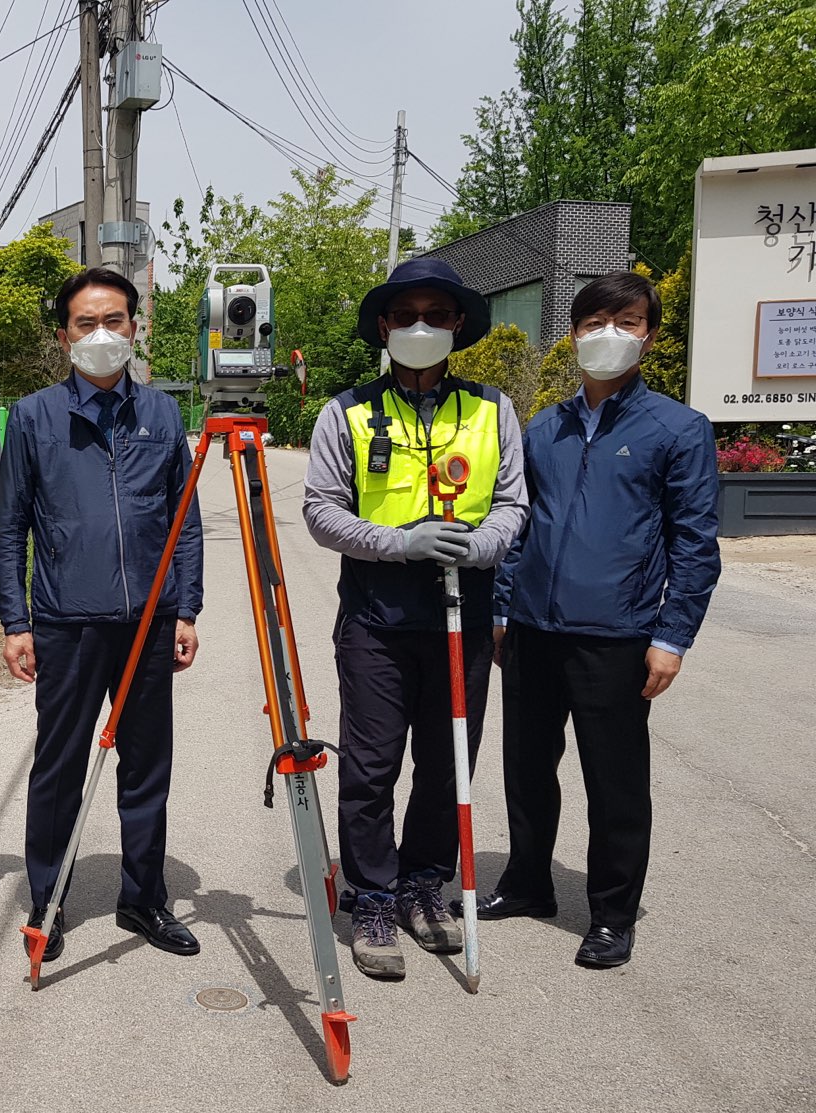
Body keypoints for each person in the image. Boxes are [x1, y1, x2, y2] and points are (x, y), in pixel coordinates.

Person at [484, 270, 720, 969]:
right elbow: (519, 524)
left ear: (649, 335)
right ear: (574, 332)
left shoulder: (677, 429)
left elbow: (695, 544)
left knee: (615, 783)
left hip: (615, 637)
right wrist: (502, 605)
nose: (608, 336)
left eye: (627, 322)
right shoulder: (544, 427)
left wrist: (671, 637)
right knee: (526, 768)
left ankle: (614, 914)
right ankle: (528, 881)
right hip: (531, 628)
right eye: (594, 323)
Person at [302, 259, 527, 982]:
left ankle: (424, 884)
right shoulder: (347, 411)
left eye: (437, 313)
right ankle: (371, 895)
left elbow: (513, 505)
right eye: (406, 315)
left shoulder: (494, 410)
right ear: (384, 326)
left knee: (446, 763)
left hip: (462, 616)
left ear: (460, 324)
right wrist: (398, 543)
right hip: (376, 618)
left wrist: (483, 546)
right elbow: (321, 509)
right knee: (370, 768)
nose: (421, 326)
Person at [0, 265, 204, 962]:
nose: (102, 335)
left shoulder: (163, 415)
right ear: (65, 337)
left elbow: (185, 520)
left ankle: (143, 898)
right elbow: (9, 524)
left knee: (147, 766)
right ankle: (48, 902)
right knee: (58, 765)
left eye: (115, 321)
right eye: (87, 323)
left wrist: (187, 607)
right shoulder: (33, 417)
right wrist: (15, 622)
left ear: (135, 329)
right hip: (66, 621)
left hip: (148, 622)